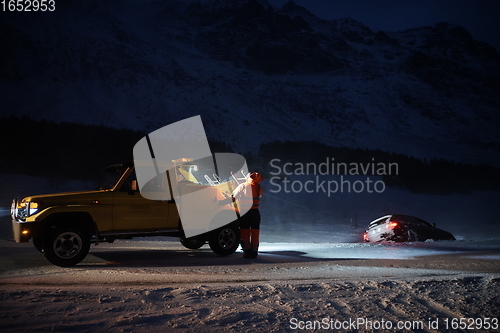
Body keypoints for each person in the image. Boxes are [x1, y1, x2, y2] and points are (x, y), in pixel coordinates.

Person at [231, 172, 264, 259]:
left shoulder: (242, 186)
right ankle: (254, 251)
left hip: (245, 213)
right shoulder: (259, 187)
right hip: (255, 213)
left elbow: (233, 196)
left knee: (245, 232)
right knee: (255, 233)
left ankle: (248, 251)